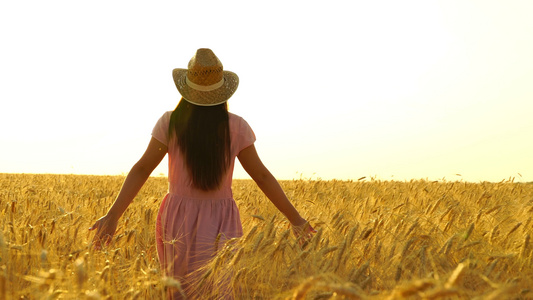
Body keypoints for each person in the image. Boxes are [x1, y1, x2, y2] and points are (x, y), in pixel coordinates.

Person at [89, 48, 315, 299]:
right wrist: (296, 219)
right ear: (221, 92)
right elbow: (262, 176)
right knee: (220, 289)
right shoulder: (237, 126)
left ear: (187, 89)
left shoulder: (170, 122)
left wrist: (113, 216)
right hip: (221, 220)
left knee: (179, 290)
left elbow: (142, 168)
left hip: (177, 219)